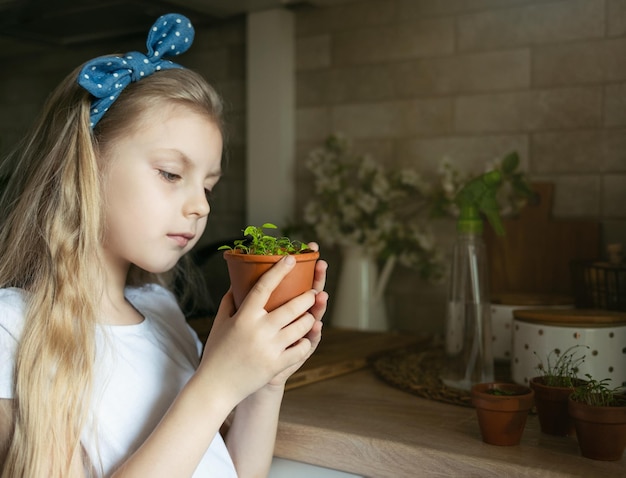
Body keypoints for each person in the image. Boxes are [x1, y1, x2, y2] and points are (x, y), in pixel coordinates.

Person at [0, 13, 328, 478]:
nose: (200, 206)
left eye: (208, 186)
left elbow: (228, 471)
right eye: (171, 174)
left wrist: (263, 385)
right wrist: (215, 384)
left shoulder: (163, 312)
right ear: (86, 165)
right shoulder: (13, 329)